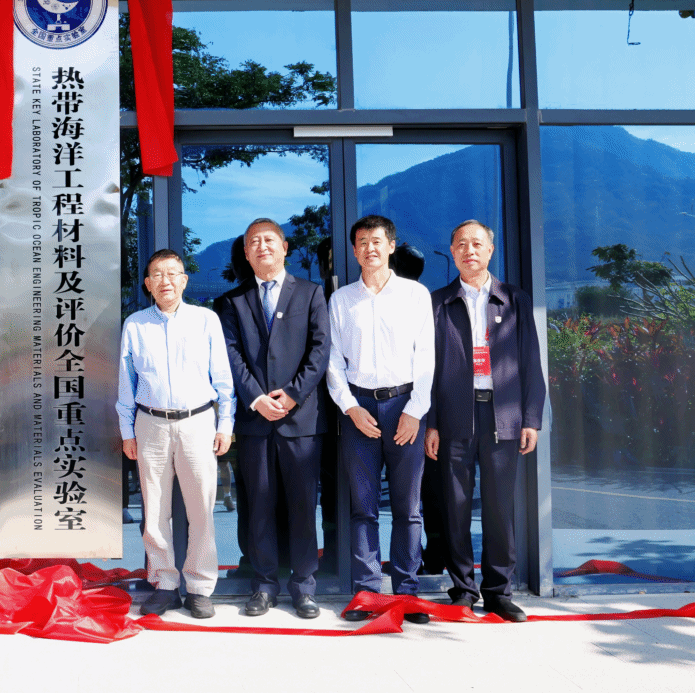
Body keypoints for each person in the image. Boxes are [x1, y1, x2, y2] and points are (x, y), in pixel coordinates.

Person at [427, 219, 544, 623]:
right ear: (452, 252)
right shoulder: (437, 302)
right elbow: (427, 368)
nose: (469, 250)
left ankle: (498, 591)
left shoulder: (514, 300)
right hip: (454, 415)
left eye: (477, 244)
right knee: (455, 507)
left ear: (491, 250)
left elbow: (531, 361)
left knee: (498, 507)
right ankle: (462, 589)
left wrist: (531, 418)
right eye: (461, 244)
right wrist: (431, 422)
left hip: (503, 415)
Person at [215, 219, 329, 619]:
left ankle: (304, 586)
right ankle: (263, 585)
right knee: (259, 506)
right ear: (246, 254)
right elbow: (230, 355)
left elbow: (320, 350)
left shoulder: (311, 293)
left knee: (302, 506)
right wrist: (256, 398)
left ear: (284, 247)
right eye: (254, 242)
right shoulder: (231, 301)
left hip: (302, 422)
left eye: (269, 240)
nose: (262, 246)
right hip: (255, 422)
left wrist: (293, 393)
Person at [325, 216, 434, 624]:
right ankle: (367, 592)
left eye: (376, 241)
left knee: (408, 507)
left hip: (404, 405)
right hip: (359, 409)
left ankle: (407, 591)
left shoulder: (414, 295)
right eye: (362, 242)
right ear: (354, 251)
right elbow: (333, 361)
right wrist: (349, 407)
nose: (369, 248)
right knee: (363, 507)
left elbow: (426, 356)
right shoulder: (341, 300)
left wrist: (415, 410)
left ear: (391, 246)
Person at [116, 249, 235, 619]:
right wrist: (126, 431)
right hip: (150, 424)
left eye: (172, 273)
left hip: (198, 421)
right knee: (154, 509)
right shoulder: (135, 324)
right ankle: (165, 582)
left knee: (201, 509)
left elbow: (223, 379)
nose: (165, 281)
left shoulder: (206, 320)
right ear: (147, 284)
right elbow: (126, 383)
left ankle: (199, 586)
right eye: (157, 274)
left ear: (184, 280)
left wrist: (225, 424)